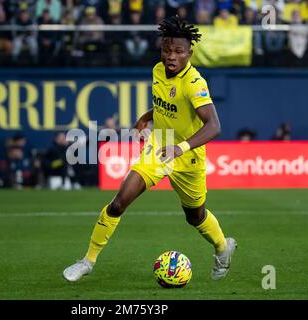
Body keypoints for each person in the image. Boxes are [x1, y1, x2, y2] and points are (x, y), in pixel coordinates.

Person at [63, 15, 237, 282]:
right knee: (119, 202)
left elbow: (214, 126)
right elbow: (167, 104)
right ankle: (88, 260)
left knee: (195, 216)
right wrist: (147, 116)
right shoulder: (158, 70)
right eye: (167, 49)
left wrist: (181, 148)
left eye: (178, 51)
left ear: (190, 53)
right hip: (158, 146)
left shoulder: (194, 83)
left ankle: (223, 248)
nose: (171, 56)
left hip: (188, 158)